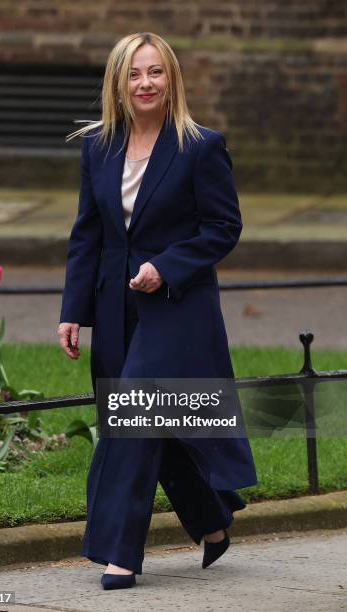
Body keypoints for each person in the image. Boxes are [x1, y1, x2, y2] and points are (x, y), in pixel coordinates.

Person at [58, 32, 258, 590]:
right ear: (118, 84)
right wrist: (73, 309)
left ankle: (118, 551)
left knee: (136, 419)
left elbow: (223, 227)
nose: (145, 84)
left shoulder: (200, 146)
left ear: (172, 79)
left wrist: (167, 266)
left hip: (177, 307)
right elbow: (87, 235)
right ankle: (212, 519)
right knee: (159, 424)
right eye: (134, 74)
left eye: (155, 73)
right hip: (115, 307)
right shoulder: (97, 146)